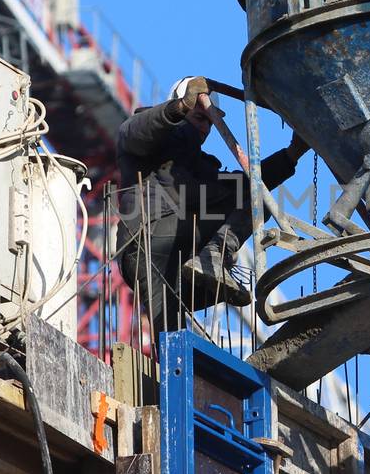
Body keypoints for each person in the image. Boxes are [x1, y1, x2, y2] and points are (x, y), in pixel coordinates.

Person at [115, 76, 308, 323]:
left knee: (171, 339)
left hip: (176, 262)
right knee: (253, 197)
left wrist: (291, 155)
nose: (205, 128)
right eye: (199, 117)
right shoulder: (153, 139)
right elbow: (132, 132)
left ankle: (212, 258)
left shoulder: (202, 166)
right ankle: (214, 253)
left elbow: (244, 185)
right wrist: (181, 107)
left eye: (209, 122)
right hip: (149, 238)